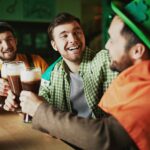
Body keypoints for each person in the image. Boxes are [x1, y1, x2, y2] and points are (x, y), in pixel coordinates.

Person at [5, 0, 150, 148]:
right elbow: (37, 113)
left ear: (137, 51)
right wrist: (23, 106)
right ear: (54, 45)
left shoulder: (107, 61)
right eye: (64, 35)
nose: (73, 39)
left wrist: (39, 110)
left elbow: (105, 137)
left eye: (112, 40)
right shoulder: (50, 75)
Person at [0, 22, 48, 104]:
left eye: (9, 39)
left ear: (15, 41)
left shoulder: (37, 61)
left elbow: (52, 92)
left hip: (35, 114)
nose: (7, 46)